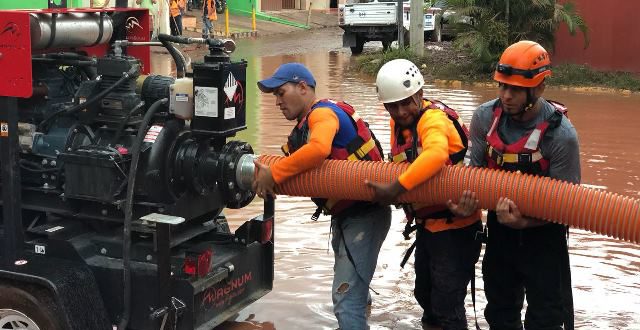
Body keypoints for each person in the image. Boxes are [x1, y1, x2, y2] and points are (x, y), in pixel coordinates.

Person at [252, 62, 391, 330]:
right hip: (349, 214)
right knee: (353, 292)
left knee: (344, 299)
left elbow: (318, 149)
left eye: (281, 93)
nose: (277, 102)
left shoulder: (322, 114)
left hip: (364, 216)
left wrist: (275, 173)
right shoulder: (309, 120)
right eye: (275, 96)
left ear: (303, 87)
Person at [466, 40, 580, 330]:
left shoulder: (561, 135)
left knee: (546, 317)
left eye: (515, 89)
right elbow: (474, 175)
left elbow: (569, 206)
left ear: (539, 87)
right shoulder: (483, 118)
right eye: (502, 86)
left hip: (544, 237)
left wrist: (526, 223)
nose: (506, 96)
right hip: (500, 229)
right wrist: (465, 203)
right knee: (500, 312)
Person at [365, 59, 482, 330]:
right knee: (425, 295)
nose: (401, 111)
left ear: (419, 94)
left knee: (446, 305)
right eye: (393, 106)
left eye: (407, 102)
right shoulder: (401, 124)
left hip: (457, 228)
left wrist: (396, 189)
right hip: (429, 226)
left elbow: (437, 154)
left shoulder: (432, 119)